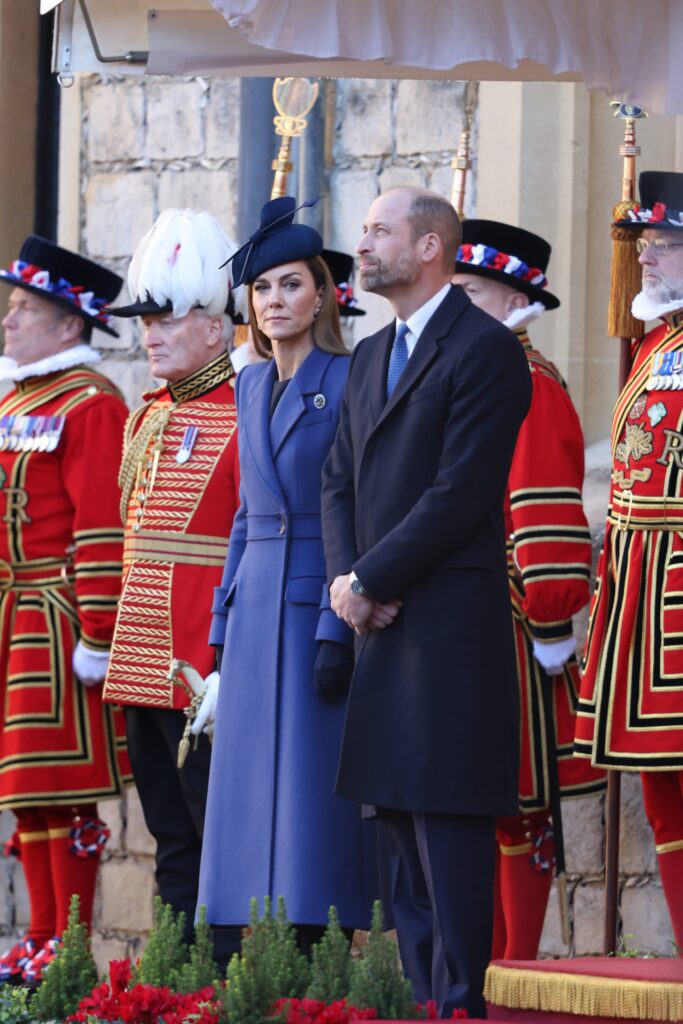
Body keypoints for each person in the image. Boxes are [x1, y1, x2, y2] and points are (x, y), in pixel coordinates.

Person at [320, 186, 532, 1018]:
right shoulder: (372, 354)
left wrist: (370, 581)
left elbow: (458, 493)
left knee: (446, 838)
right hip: (377, 623)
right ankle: (422, 1004)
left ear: (431, 247)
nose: (362, 246)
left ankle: (460, 1008)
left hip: (441, 627)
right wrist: (348, 587)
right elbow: (338, 478)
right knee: (397, 848)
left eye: (378, 232)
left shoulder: (483, 349)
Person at [195, 197, 375, 952]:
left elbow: (358, 510)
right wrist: (219, 628)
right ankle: (240, 953)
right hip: (256, 600)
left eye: (291, 285)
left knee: (307, 796)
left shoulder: (350, 377)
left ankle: (315, 945)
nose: (274, 302)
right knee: (241, 792)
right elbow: (244, 513)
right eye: (262, 289)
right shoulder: (246, 385)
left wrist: (338, 623)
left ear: (324, 293)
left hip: (314, 603)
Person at [453, 220, 605, 959]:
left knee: (514, 804)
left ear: (512, 296)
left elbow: (542, 502)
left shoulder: (528, 378)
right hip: (448, 614)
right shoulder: (457, 369)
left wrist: (548, 620)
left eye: (469, 291)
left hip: (505, 623)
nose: (452, 305)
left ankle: (510, 966)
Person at [101, 209, 243, 960]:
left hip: (202, 668)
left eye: (166, 317)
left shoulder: (248, 411)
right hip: (140, 659)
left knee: (212, 828)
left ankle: (221, 980)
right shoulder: (144, 417)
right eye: (145, 319)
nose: (149, 333)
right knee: (167, 834)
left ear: (216, 327)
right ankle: (171, 975)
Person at [0, 237, 130, 985]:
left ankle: (68, 943)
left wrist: (98, 630)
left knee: (62, 788)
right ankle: (41, 934)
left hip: (58, 617)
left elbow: (101, 525)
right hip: (15, 613)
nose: (9, 322)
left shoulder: (91, 402)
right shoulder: (17, 397)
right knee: (26, 792)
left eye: (25, 309)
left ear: (68, 326)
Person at [575, 170, 683, 950]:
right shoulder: (657, 343)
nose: (646, 258)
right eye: (643, 244)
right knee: (661, 787)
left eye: (665, 245)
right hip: (640, 577)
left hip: (676, 580)